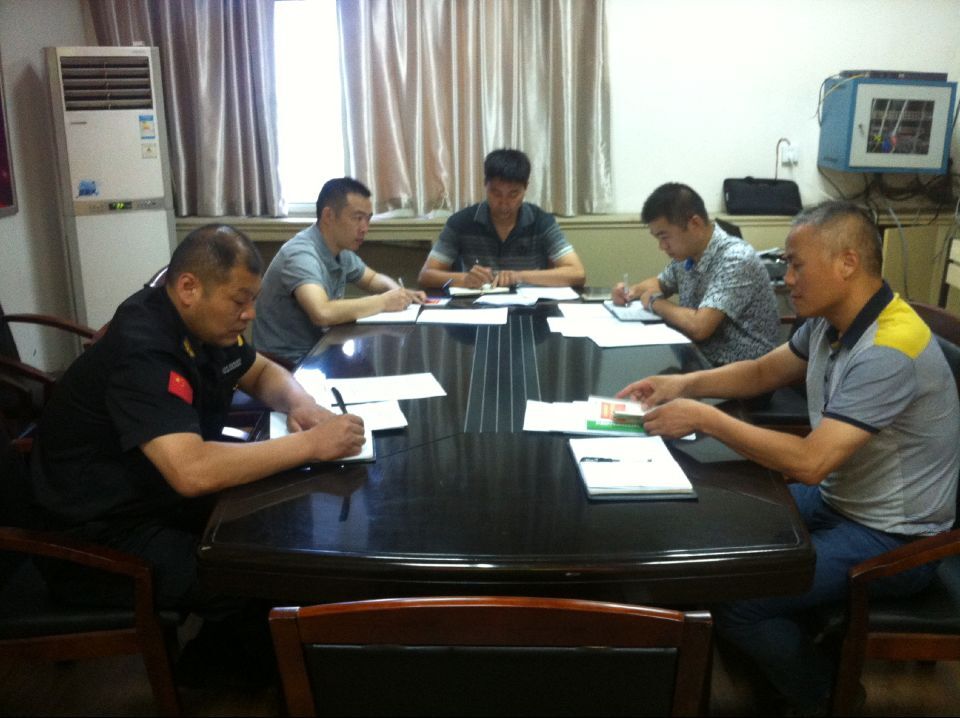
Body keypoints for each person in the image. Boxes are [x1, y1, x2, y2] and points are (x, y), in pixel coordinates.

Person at [616, 200, 960, 714]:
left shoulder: (890, 349)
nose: (788, 278)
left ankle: (828, 697)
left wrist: (705, 418)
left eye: (797, 265)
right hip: (843, 501)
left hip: (898, 539)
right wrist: (682, 385)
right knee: (718, 530)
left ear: (847, 263)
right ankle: (772, 659)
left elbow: (809, 462)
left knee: (739, 600)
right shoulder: (830, 321)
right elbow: (761, 373)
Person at [30, 224, 366, 683]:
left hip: (149, 498)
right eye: (240, 300)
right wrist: (310, 444)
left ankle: (238, 655)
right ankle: (243, 673)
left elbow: (260, 371)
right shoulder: (144, 350)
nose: (250, 314)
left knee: (278, 520)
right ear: (189, 288)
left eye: (253, 300)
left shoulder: (205, 323)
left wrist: (301, 405)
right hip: (93, 538)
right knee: (254, 570)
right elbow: (191, 471)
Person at [253, 177, 426, 363]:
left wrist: (398, 292)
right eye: (357, 218)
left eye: (368, 219)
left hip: (318, 350)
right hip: (285, 363)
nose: (365, 228)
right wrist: (383, 302)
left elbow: (371, 279)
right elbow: (322, 313)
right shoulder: (300, 254)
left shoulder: (340, 250)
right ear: (328, 216)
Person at [613, 182, 780, 365]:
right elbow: (661, 283)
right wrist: (630, 292)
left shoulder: (736, 258)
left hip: (741, 370)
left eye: (664, 236)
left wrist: (655, 302)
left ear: (695, 224)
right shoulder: (688, 254)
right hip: (699, 359)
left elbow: (700, 327)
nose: (661, 246)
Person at [417, 148, 586, 289]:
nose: (504, 203)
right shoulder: (461, 222)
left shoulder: (542, 222)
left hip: (529, 310)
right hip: (476, 310)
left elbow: (577, 273)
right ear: (485, 185)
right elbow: (426, 276)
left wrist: (519, 276)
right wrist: (464, 279)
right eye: (496, 193)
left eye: (513, 194)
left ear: (525, 188)